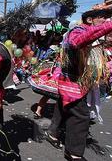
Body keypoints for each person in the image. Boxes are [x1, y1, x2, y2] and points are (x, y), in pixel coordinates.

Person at [45, 8, 112, 160]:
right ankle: (73, 153)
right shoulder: (77, 30)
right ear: (90, 20)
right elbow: (76, 42)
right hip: (72, 82)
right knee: (81, 116)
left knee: (64, 106)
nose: (105, 20)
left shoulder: (90, 33)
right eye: (103, 17)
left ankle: (52, 133)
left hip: (76, 80)